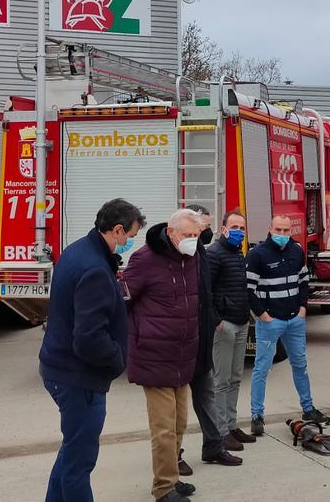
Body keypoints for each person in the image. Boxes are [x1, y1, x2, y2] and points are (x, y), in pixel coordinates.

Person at [39, 198, 144, 502]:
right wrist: (117, 360)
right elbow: (87, 338)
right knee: (79, 462)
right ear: (117, 230)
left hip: (60, 369)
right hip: (79, 379)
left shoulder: (77, 250)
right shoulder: (95, 268)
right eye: (130, 237)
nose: (130, 243)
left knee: (72, 451)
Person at [122, 209, 205, 502]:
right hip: (154, 356)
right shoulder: (145, 259)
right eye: (187, 235)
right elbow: (124, 301)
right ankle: (163, 488)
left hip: (182, 355)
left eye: (195, 236)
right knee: (164, 429)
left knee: (180, 423)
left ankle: (172, 475)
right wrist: (140, 335)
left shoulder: (190, 258)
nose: (192, 241)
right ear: (170, 232)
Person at [247, 213, 330, 435]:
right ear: (270, 229)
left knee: (300, 365)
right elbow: (249, 290)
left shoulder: (296, 251)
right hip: (270, 322)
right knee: (261, 368)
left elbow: (304, 282)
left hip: (295, 320)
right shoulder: (257, 255)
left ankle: (308, 408)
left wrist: (303, 308)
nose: (282, 235)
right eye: (278, 230)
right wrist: (263, 315)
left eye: (286, 231)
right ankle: (257, 415)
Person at [179, 205, 241, 475]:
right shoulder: (163, 258)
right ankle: (173, 455)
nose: (204, 234)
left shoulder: (201, 254)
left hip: (200, 338)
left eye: (205, 228)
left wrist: (211, 321)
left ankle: (214, 446)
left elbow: (207, 292)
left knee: (205, 394)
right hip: (178, 342)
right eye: (199, 229)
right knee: (175, 409)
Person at [206, 210, 257, 449]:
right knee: (221, 380)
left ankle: (231, 425)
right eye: (234, 227)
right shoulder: (214, 254)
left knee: (236, 378)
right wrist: (217, 321)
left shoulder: (237, 254)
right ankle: (220, 432)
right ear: (223, 228)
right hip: (224, 326)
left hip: (240, 322)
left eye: (242, 228)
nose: (239, 232)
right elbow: (205, 292)